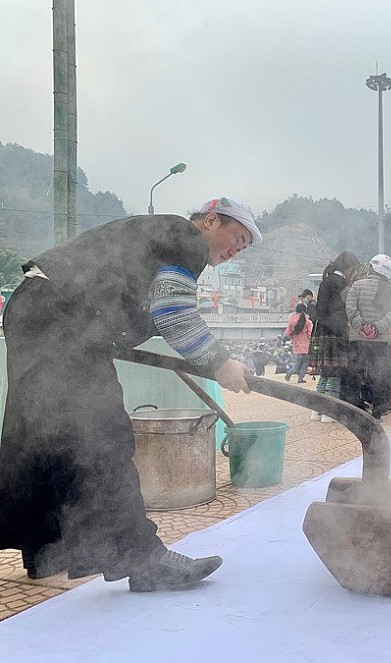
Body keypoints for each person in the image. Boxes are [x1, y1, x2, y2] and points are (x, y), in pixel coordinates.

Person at [0, 196, 258, 592]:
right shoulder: (184, 239)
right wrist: (221, 363)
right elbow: (173, 312)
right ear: (209, 221)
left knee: (42, 430)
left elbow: (135, 301)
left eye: (240, 248)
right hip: (58, 320)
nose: (232, 250)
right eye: (234, 237)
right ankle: (142, 557)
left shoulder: (157, 235)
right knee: (101, 434)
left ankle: (45, 548)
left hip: (35, 310)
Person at [346, 254, 391, 419]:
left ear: (371, 268)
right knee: (379, 374)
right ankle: (377, 412)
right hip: (381, 339)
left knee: (355, 373)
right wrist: (377, 328)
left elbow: (350, 309)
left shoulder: (357, 286)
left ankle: (354, 412)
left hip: (358, 337)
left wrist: (361, 327)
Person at [308, 251, 360, 423]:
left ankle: (316, 411)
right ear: (349, 268)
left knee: (325, 373)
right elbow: (346, 308)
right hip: (335, 333)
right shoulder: (340, 284)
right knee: (335, 373)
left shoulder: (326, 280)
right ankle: (329, 413)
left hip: (321, 332)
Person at [284, 303, 313, 383]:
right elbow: (310, 334)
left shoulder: (291, 321)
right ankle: (300, 378)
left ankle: (290, 372)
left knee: (297, 363)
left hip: (296, 345)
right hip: (306, 346)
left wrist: (293, 338)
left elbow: (288, 333)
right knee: (305, 364)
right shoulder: (308, 322)